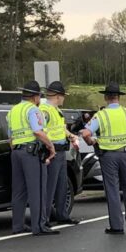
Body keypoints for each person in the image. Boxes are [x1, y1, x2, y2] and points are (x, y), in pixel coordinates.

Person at [80, 83, 126, 235]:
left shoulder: (101, 115)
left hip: (108, 156)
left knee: (112, 190)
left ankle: (117, 226)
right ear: (119, 97)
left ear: (106, 97)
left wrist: (92, 142)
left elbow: (86, 134)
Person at [8, 81, 57, 236]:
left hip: (16, 152)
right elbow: (38, 131)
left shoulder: (13, 110)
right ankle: (39, 226)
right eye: (39, 96)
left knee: (19, 191)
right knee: (37, 190)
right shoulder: (32, 110)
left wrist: (16, 149)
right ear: (35, 97)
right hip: (31, 153)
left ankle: (18, 225)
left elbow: (10, 137)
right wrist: (50, 146)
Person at [41, 81, 81, 228]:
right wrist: (49, 148)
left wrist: (71, 136)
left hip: (61, 151)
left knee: (62, 185)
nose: (64, 99)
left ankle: (62, 215)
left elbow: (60, 129)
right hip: (51, 151)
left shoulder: (56, 110)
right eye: (63, 96)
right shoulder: (44, 109)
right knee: (50, 186)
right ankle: (44, 219)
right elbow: (41, 130)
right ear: (58, 96)